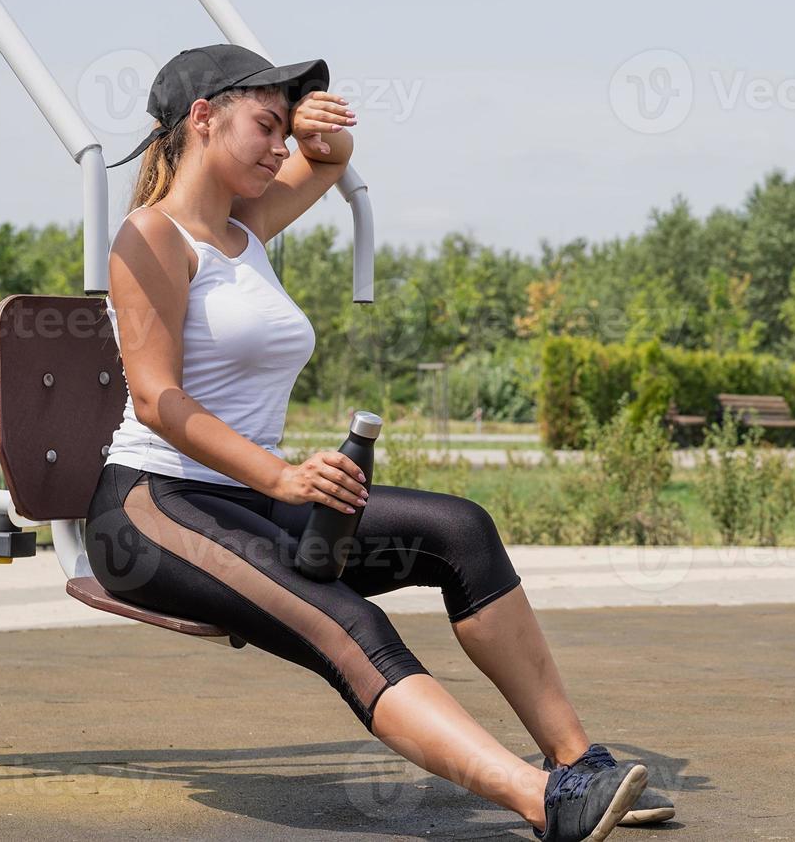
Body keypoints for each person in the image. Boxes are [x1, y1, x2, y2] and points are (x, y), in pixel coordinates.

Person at [84, 44, 674, 841]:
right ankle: (545, 804)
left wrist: (310, 125)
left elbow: (328, 159)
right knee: (348, 624)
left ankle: (580, 766)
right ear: (201, 118)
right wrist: (283, 477)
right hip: (153, 511)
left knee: (458, 532)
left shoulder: (244, 228)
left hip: (247, 502)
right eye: (264, 126)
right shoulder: (149, 237)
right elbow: (156, 399)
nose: (281, 147)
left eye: (283, 131)